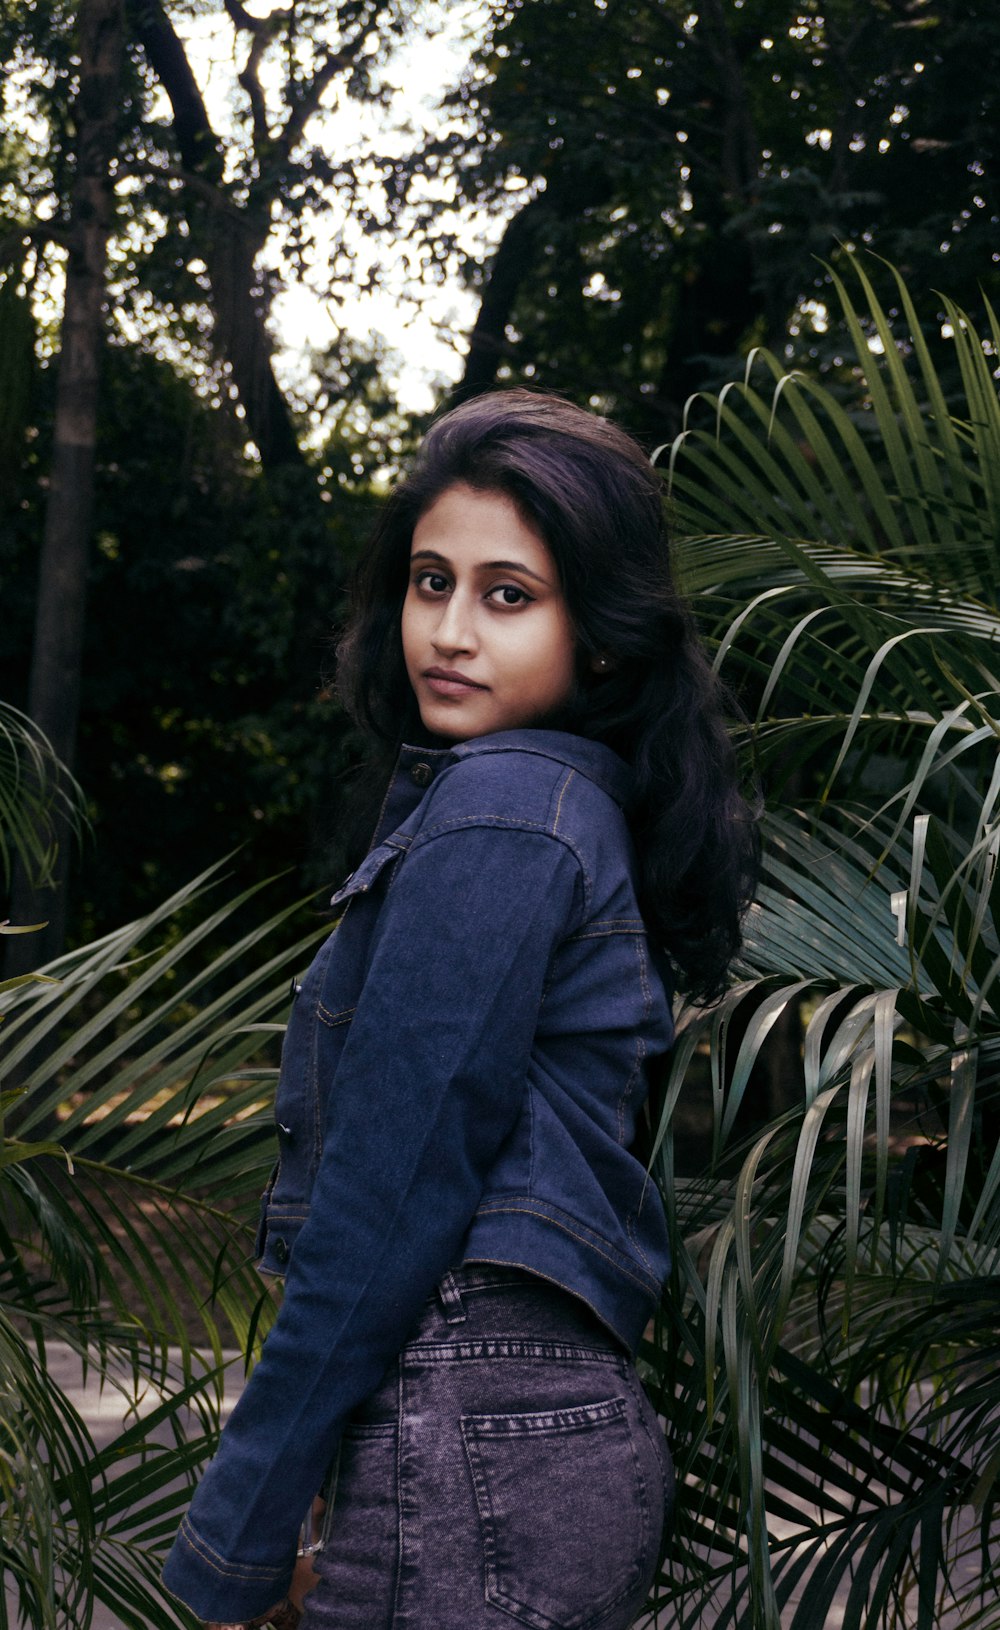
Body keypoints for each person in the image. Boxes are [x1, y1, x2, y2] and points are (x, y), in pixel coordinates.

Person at [162, 389, 758, 1630]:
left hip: (473, 1435)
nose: (447, 629)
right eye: (430, 581)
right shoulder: (570, 809)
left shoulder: (499, 812)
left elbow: (389, 1198)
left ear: (595, 633)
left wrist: (237, 1535)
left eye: (506, 594)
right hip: (519, 1439)